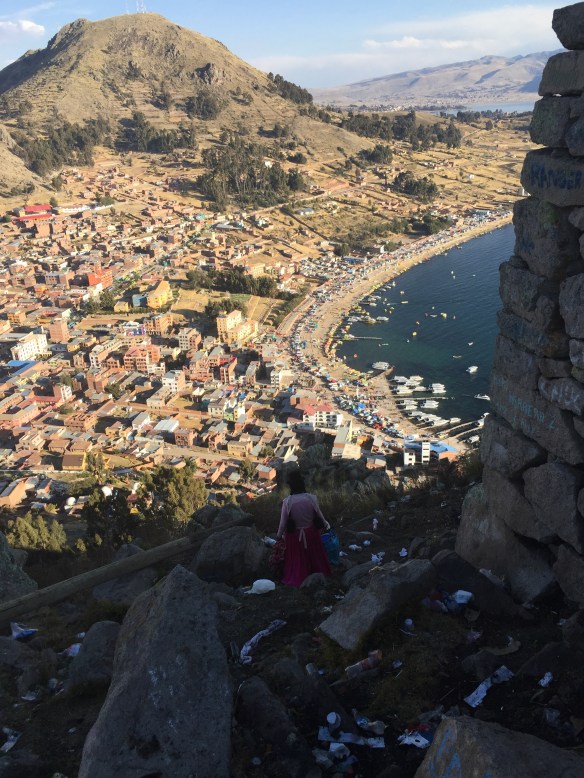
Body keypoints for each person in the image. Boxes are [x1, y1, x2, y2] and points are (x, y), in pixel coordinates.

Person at [276, 471, 332, 587]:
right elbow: (320, 516)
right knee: (315, 555)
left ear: (291, 486)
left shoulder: (287, 502)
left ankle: (299, 575)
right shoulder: (311, 498)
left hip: (295, 537)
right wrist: (326, 524)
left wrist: (278, 536)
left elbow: (283, 523)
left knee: (297, 559)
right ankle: (316, 573)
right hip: (312, 533)